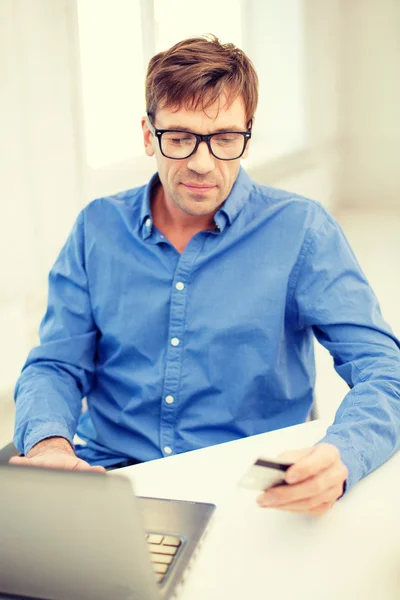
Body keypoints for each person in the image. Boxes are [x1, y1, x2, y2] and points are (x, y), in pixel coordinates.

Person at [11, 35, 400, 516]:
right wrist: (50, 445)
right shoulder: (97, 228)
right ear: (148, 135)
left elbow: (386, 371)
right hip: (108, 475)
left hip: (245, 487)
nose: (201, 163)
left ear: (247, 134)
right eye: (179, 138)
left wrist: (343, 454)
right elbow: (56, 363)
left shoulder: (303, 230)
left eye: (224, 139)